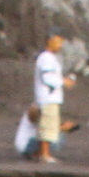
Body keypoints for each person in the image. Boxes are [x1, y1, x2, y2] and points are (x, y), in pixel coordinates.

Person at [18, 35, 70, 163]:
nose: (60, 45)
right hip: (48, 97)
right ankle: (44, 154)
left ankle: (40, 153)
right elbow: (47, 78)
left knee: (48, 125)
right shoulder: (46, 58)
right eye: (58, 42)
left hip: (48, 97)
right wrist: (63, 81)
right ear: (50, 42)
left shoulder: (48, 58)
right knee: (48, 125)